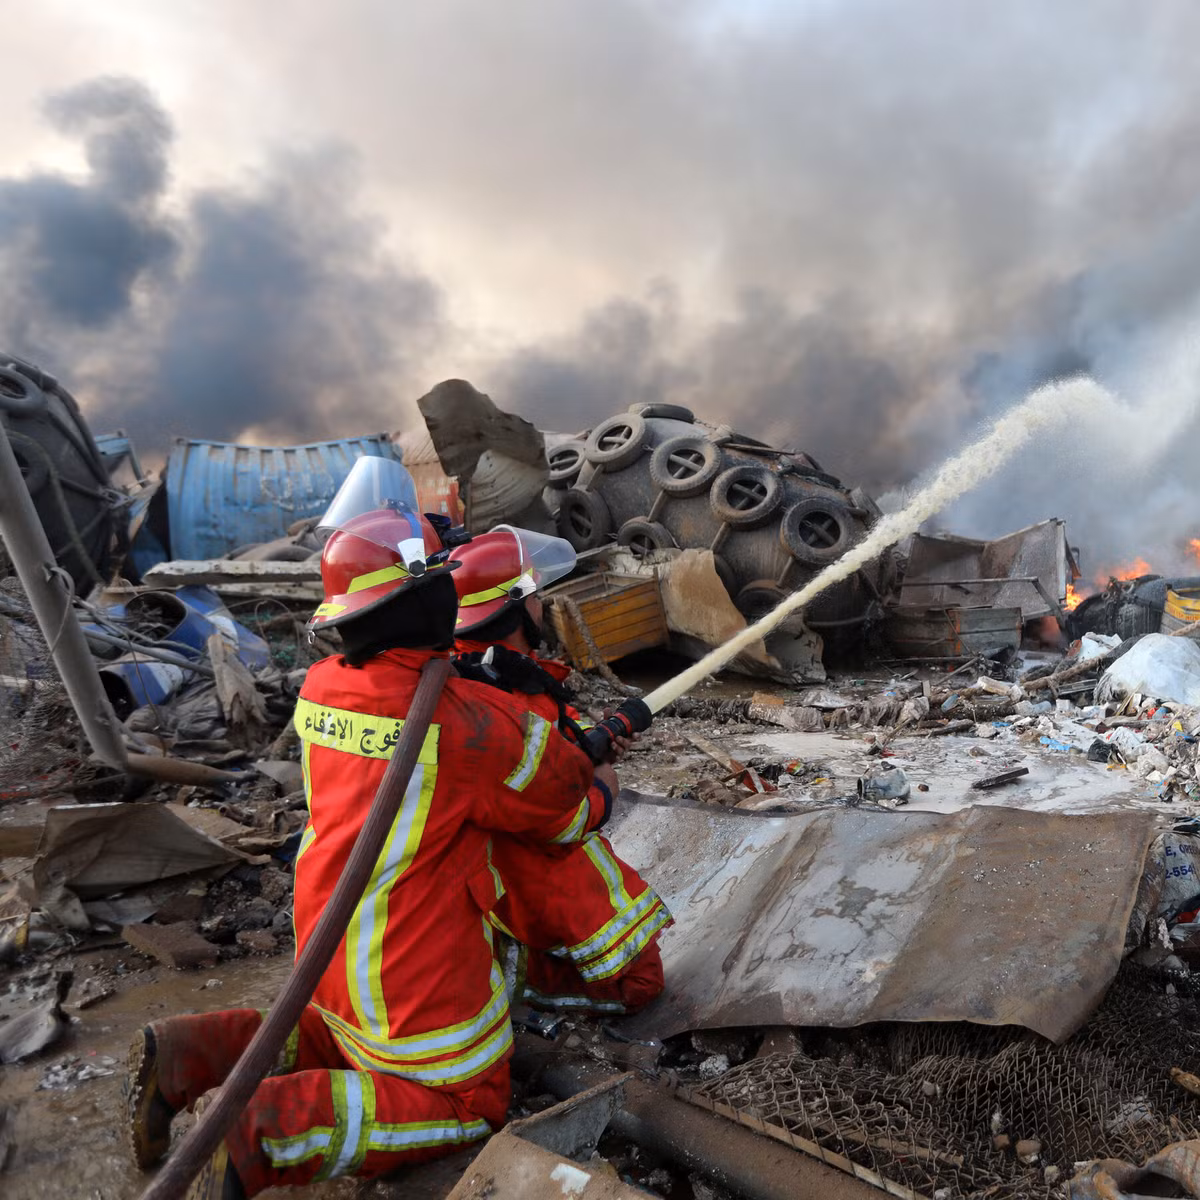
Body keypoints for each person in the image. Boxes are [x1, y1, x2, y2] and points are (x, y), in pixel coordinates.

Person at [123, 463, 619, 1198]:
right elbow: (563, 810)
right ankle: (264, 1132)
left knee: (330, 1036)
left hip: (331, 948)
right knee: (465, 1104)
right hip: (416, 983)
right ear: (431, 597)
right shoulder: (473, 725)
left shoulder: (325, 686)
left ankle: (188, 1054)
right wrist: (596, 777)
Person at [452, 525, 671, 1017]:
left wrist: (591, 746)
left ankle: (507, 955)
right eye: (535, 595)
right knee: (640, 983)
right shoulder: (503, 702)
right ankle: (520, 985)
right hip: (523, 863)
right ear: (515, 607)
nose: (543, 605)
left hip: (495, 866)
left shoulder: (487, 673)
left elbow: (554, 736)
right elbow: (551, 821)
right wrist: (602, 792)